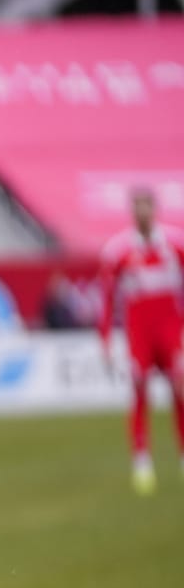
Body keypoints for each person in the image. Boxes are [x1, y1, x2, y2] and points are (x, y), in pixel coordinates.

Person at [95, 187, 184, 494]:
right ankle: (142, 462)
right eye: (136, 207)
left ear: (154, 209)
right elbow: (106, 300)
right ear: (131, 211)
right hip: (139, 337)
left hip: (172, 334)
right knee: (139, 394)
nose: (142, 212)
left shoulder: (175, 245)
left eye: (146, 206)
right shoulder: (118, 252)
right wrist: (105, 339)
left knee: (180, 391)